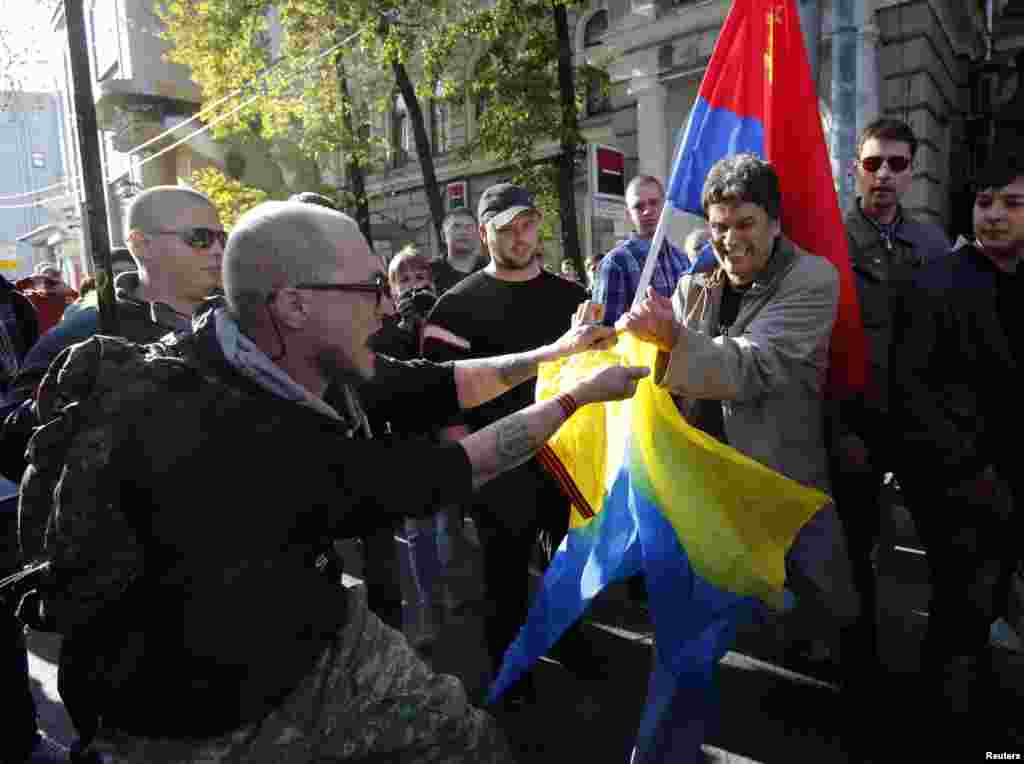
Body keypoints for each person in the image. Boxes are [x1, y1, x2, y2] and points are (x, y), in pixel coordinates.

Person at [66, 200, 643, 761]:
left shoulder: (270, 351)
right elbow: (448, 471)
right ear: (294, 304)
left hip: (293, 627)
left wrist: (557, 352)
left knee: (467, 738)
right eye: (369, 289)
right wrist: (580, 394)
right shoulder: (232, 432)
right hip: (202, 714)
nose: (387, 309)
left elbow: (437, 385)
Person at [617, 153, 858, 658]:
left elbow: (755, 365)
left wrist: (673, 340)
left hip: (783, 483)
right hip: (711, 494)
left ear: (775, 222)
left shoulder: (814, 279)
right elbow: (659, 379)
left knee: (828, 623)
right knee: (737, 643)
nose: (731, 239)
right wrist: (610, 344)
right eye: (719, 226)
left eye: (746, 223)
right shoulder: (693, 287)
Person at [422, 182, 608, 706]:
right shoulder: (454, 307)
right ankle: (508, 666)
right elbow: (440, 393)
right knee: (502, 573)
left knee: (568, 560)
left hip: (564, 454)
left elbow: (593, 365)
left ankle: (569, 639)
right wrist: (465, 464)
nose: (522, 237)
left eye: (528, 224)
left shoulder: (572, 298)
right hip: (498, 460)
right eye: (507, 228)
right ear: (485, 234)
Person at [890, 151, 1023, 740]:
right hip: (959, 494)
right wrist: (973, 478)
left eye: (1012, 204)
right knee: (957, 622)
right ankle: (945, 729)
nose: (994, 215)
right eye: (985, 203)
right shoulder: (934, 281)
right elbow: (916, 394)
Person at [0, 187, 226, 482]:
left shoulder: (245, 318)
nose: (218, 250)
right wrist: (80, 397)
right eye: (200, 238)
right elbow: (11, 444)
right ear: (141, 243)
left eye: (223, 237)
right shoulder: (88, 329)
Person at [832, 118, 950, 671]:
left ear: (911, 171)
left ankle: (946, 658)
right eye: (874, 163)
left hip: (921, 417)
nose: (884, 175)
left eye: (897, 164)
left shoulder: (931, 241)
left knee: (944, 541)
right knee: (856, 545)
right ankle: (860, 658)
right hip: (853, 416)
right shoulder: (827, 236)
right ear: (856, 167)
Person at [591, 175, 690, 326]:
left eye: (654, 203)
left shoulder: (682, 260)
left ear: (665, 207)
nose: (647, 211)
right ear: (628, 215)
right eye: (639, 206)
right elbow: (604, 331)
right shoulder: (615, 263)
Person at [432, 208, 488, 295]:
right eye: (456, 226)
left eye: (469, 227)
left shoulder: (491, 270)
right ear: (443, 236)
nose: (463, 232)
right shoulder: (429, 272)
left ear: (479, 234)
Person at [15, 266, 76, 334]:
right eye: (48, 281)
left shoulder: (68, 296)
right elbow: (15, 292)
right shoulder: (36, 297)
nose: (50, 283)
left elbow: (15, 289)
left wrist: (32, 279)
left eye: (52, 281)